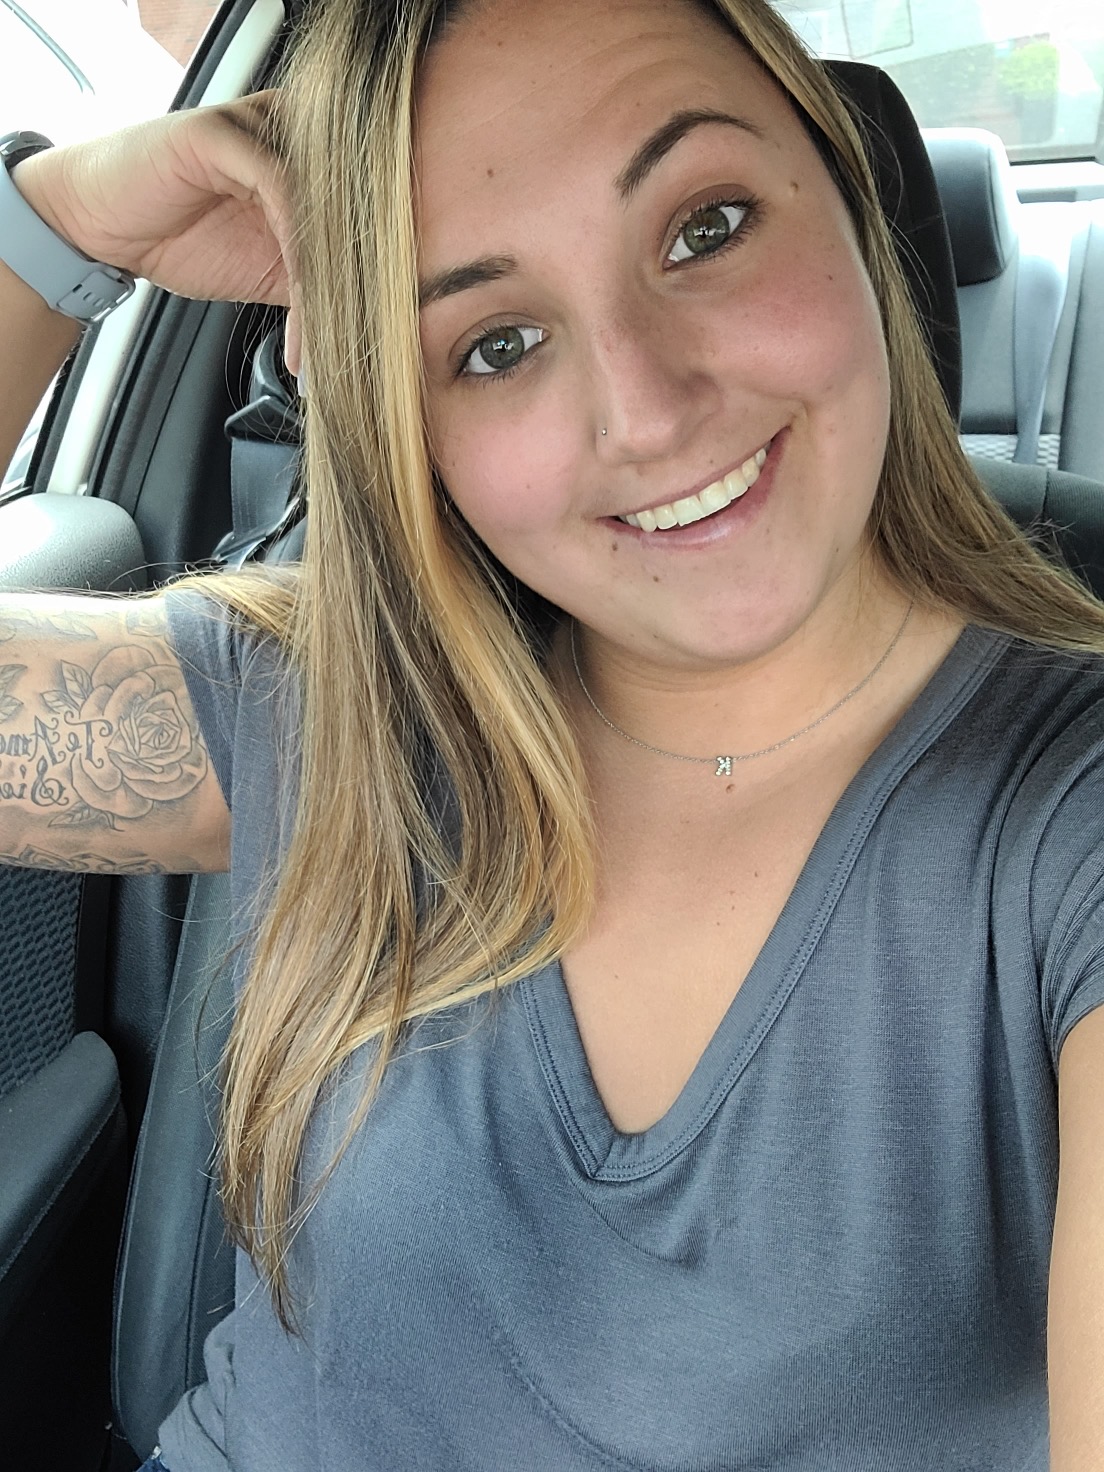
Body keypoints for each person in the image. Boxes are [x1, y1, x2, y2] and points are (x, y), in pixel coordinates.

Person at [1, 0, 1102, 1467]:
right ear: (411, 429)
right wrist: (57, 223)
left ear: (850, 195)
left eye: (705, 229)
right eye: (496, 343)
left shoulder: (1067, 818)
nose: (644, 412)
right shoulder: (344, 711)